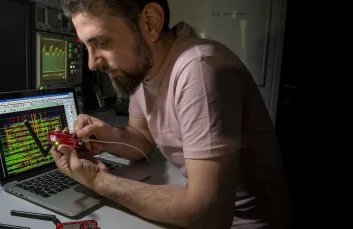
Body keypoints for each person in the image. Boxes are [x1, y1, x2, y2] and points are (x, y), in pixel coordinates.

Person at [50, 0, 292, 228]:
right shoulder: (143, 65)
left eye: (102, 43)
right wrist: (107, 135)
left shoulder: (200, 69)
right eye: (87, 46)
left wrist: (98, 181)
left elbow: (209, 213)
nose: (92, 63)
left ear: (150, 23)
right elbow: (143, 138)